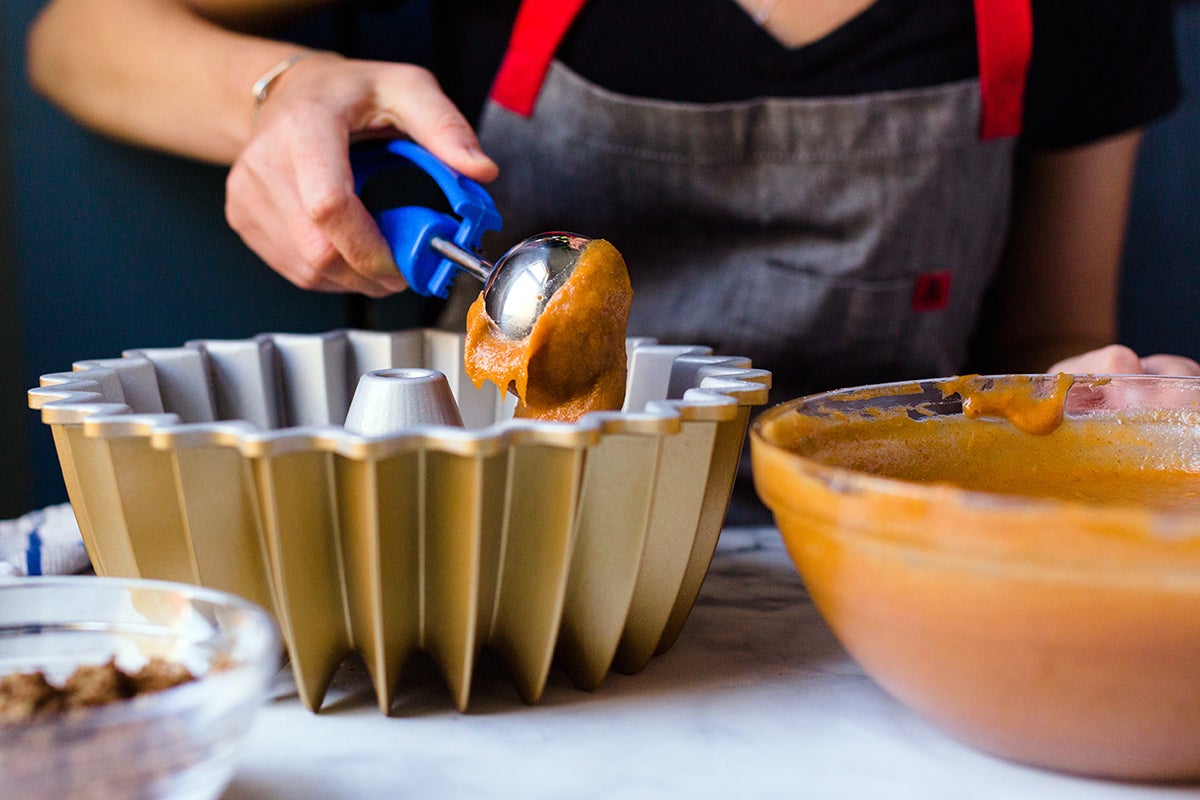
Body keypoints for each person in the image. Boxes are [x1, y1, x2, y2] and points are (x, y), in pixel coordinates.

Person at [25, 0, 1200, 399]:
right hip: (500, 549)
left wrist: (1089, 398)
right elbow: (78, 37)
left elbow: (1045, 334)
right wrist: (284, 93)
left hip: (867, 573)